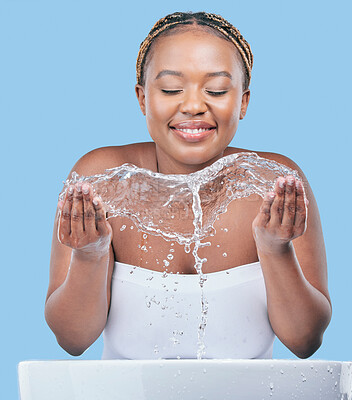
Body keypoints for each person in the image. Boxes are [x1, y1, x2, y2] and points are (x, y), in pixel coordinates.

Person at [45, 11, 331, 360]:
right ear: (142, 98)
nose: (194, 106)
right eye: (170, 89)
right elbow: (72, 340)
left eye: (216, 90)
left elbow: (305, 341)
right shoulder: (102, 181)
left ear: (243, 101)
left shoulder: (273, 183)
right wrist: (89, 256)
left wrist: (275, 249)